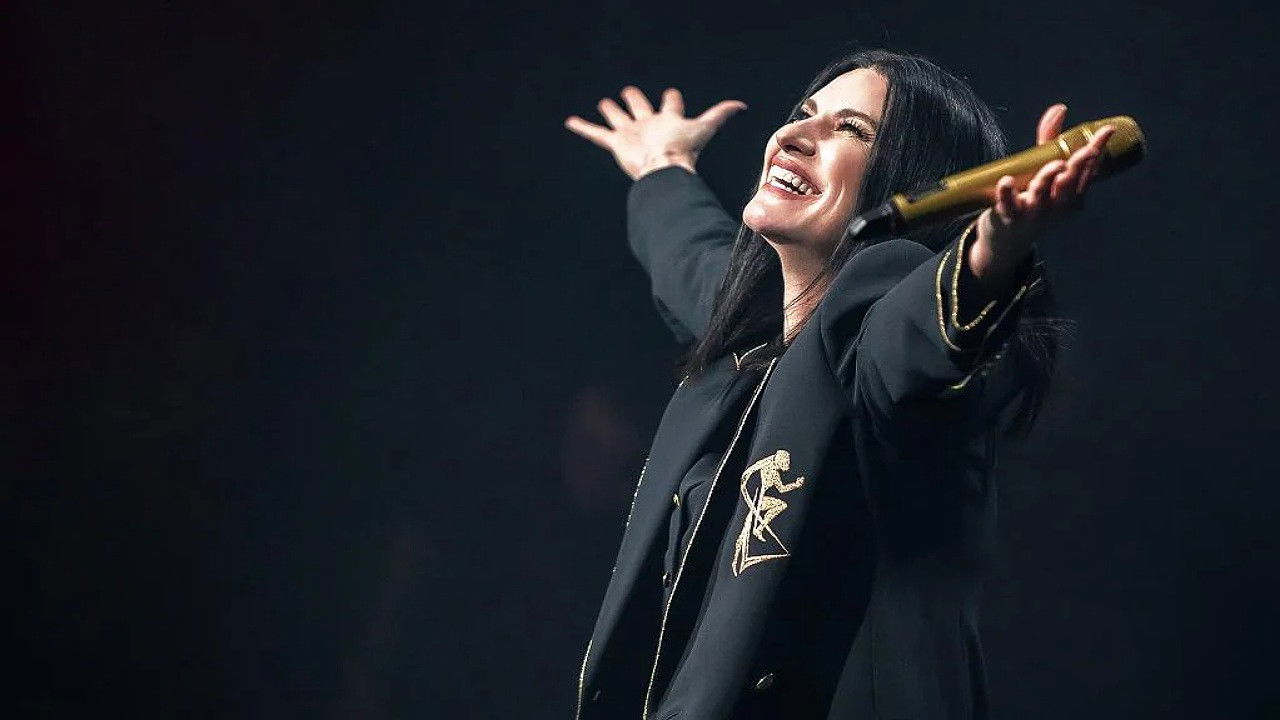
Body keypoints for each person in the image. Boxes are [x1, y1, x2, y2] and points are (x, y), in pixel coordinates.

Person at [563, 48, 1114, 720]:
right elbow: (688, 252)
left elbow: (912, 337)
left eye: (851, 129)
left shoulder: (872, 319)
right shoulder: (752, 328)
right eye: (804, 112)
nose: (795, 134)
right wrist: (663, 163)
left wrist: (991, 248)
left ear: (911, 182)